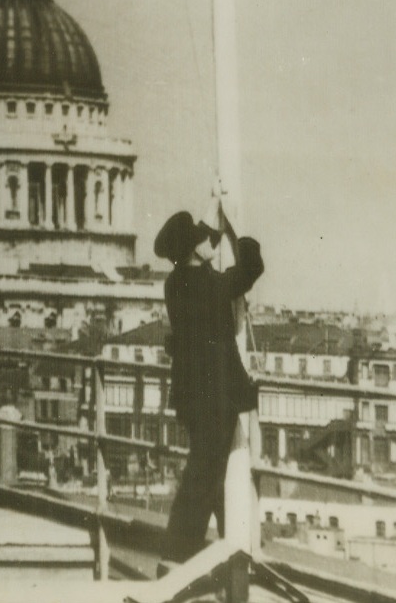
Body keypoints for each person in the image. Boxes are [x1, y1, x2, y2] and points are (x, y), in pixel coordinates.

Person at [156, 207, 264, 563]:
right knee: (204, 475)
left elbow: (205, 251)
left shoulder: (175, 283)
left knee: (210, 472)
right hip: (217, 396)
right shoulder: (208, 284)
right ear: (193, 248)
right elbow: (250, 269)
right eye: (203, 238)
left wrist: (214, 232)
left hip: (191, 395)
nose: (210, 241)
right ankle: (179, 553)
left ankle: (222, 549)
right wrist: (239, 226)